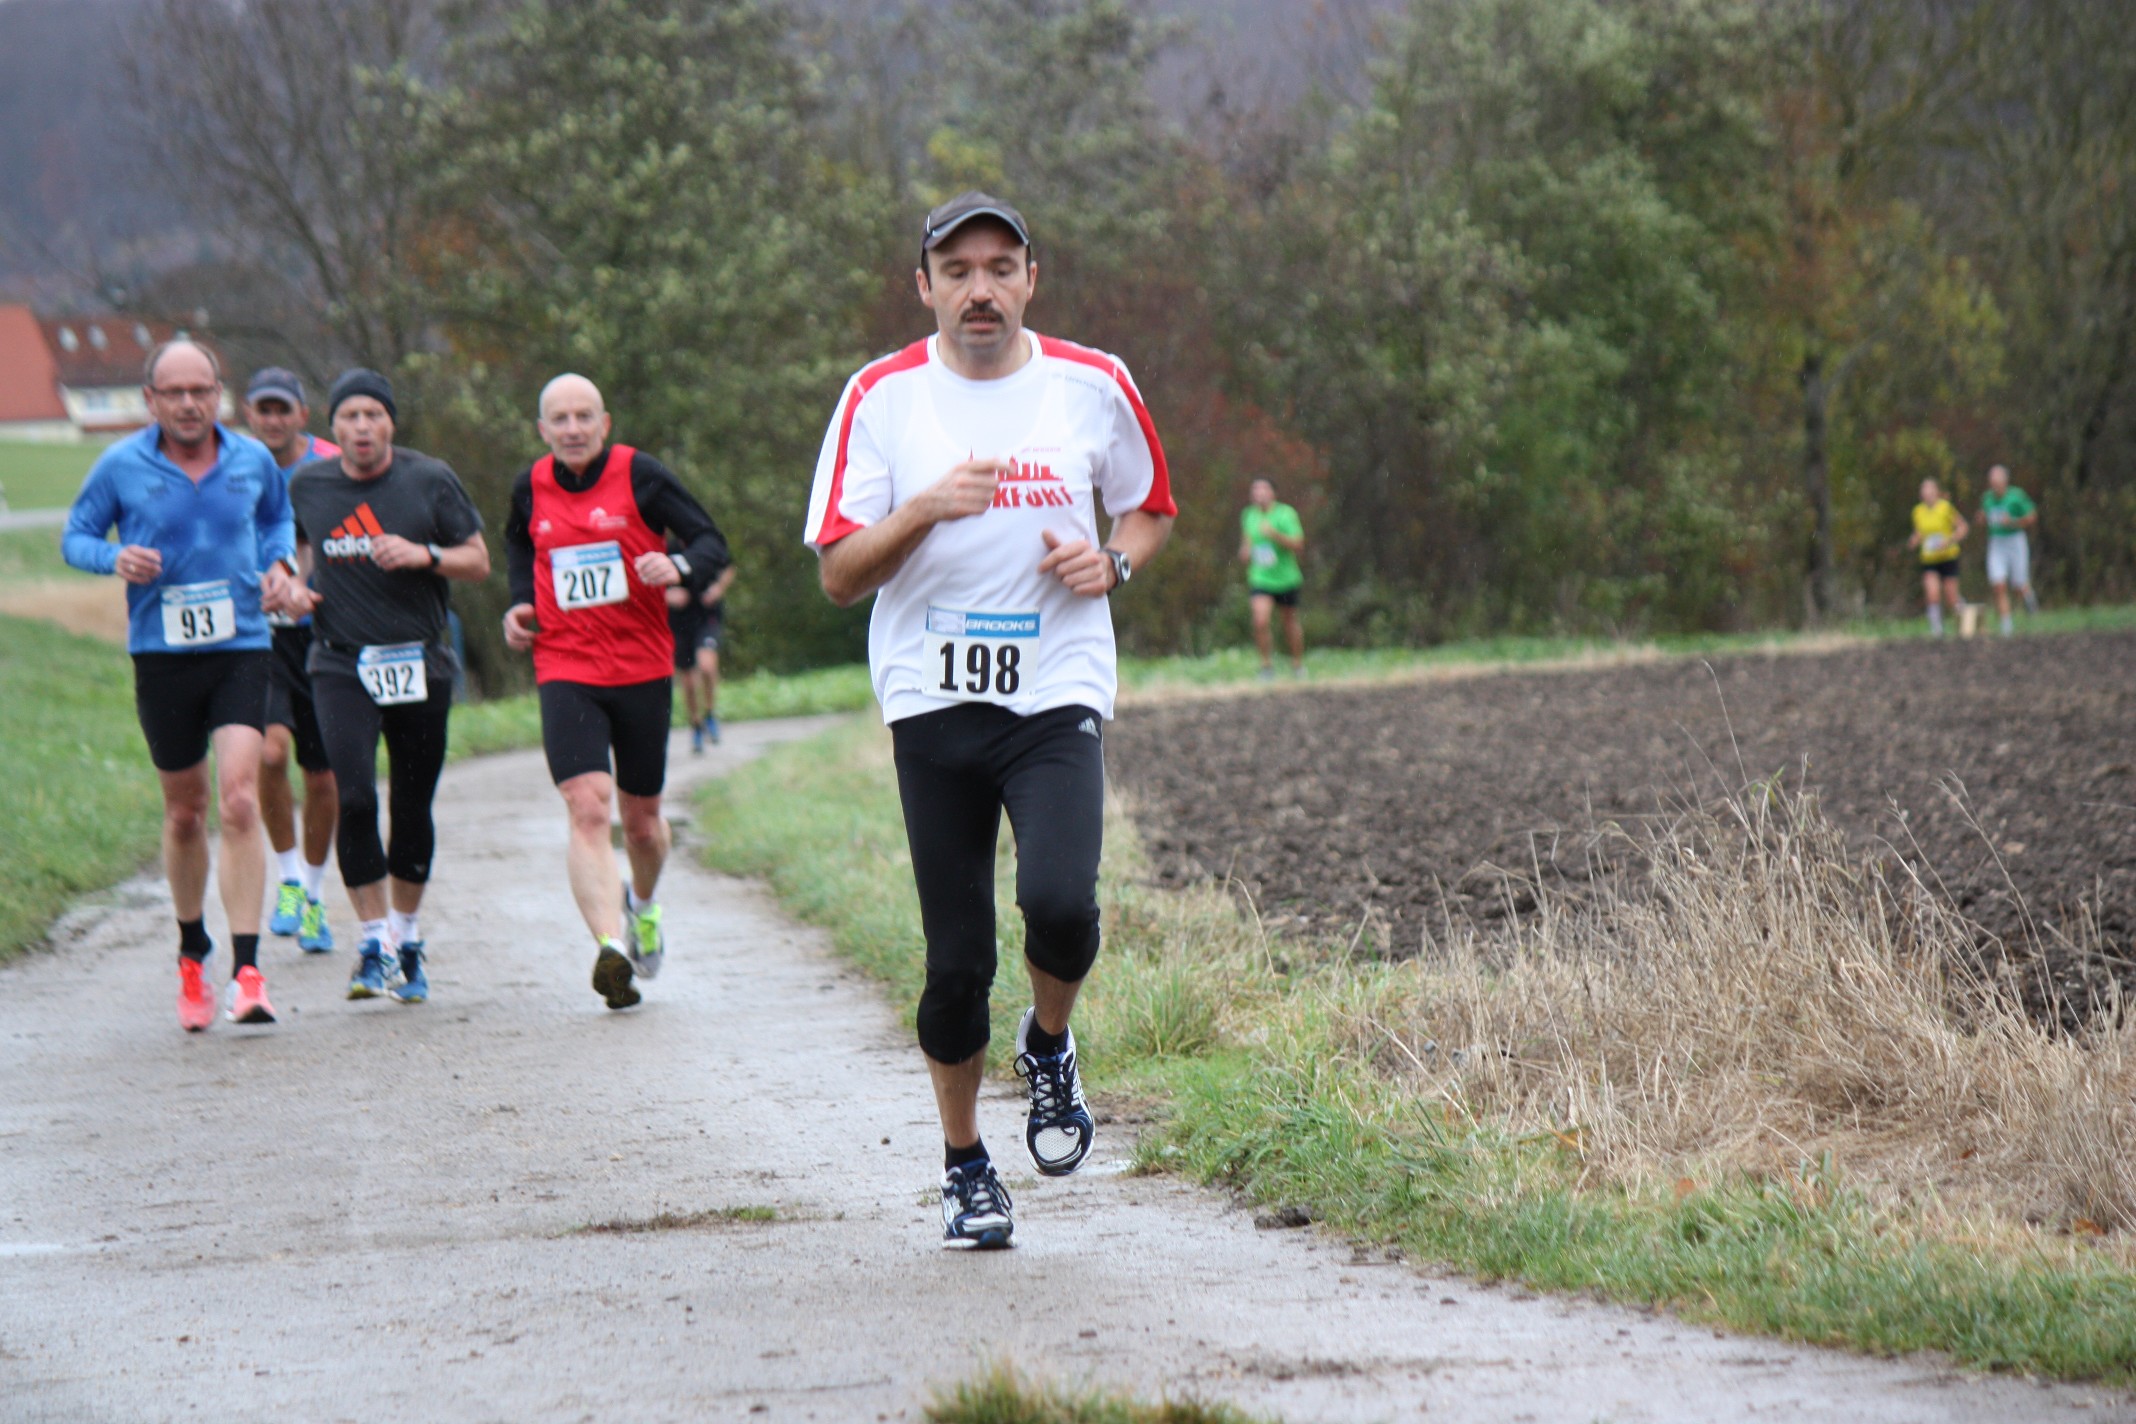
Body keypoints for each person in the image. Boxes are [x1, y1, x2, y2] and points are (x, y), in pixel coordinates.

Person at [804, 192, 1175, 1248]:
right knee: (957, 960)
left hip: (1056, 689)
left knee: (1061, 904)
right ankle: (966, 1163)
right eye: (958, 270)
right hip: (932, 698)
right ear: (923, 285)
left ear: (1030, 281)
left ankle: (1049, 1041)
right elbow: (838, 574)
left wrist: (1113, 564)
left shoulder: (1093, 383)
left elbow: (1150, 507)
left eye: (1000, 268)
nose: (981, 289)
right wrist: (925, 506)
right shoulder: (880, 397)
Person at [63, 339, 299, 1030]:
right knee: (186, 811)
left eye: (201, 390)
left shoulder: (251, 459)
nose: (190, 404)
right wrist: (114, 557)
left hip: (241, 645)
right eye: (175, 393)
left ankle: (248, 972)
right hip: (163, 656)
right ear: (151, 400)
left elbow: (276, 518)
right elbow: (76, 536)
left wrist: (281, 564)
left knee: (240, 799)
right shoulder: (120, 465)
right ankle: (193, 951)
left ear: (219, 394)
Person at [502, 374, 729, 1009]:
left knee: (643, 824)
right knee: (587, 805)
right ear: (542, 430)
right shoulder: (530, 486)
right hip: (565, 663)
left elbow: (711, 543)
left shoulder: (641, 475)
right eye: (560, 419)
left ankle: (643, 907)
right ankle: (611, 948)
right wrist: (519, 604)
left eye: (584, 417)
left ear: (604, 424)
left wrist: (677, 565)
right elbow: (518, 546)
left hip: (641, 667)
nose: (572, 428)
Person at [275, 369, 489, 1004]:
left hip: (418, 661)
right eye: (351, 416)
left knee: (412, 806)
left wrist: (425, 555)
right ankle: (373, 942)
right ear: (333, 425)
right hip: (340, 664)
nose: (362, 427)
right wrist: (294, 587)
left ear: (391, 422)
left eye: (374, 414)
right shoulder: (309, 484)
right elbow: (298, 554)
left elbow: (477, 560)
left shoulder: (430, 479)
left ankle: (407, 936)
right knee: (355, 798)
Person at [244, 367, 340, 951]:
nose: (274, 419)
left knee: (323, 776)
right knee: (270, 752)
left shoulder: (331, 465)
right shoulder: (234, 465)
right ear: (249, 414)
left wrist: (312, 587)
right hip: (262, 639)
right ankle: (287, 880)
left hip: (324, 636)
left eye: (284, 409)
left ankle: (314, 896)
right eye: (264, 409)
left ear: (303, 414)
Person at [668, 550, 736, 752]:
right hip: (679, 622)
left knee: (706, 666)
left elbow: (729, 566)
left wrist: (718, 588)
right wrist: (667, 595)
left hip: (707, 617)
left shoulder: (707, 542)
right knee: (688, 681)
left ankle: (710, 713)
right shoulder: (668, 548)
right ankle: (696, 723)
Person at [1239, 477, 1305, 678]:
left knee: (1289, 622)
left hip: (1286, 579)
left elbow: (1298, 544)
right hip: (1261, 578)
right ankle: (1266, 666)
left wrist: (1275, 535)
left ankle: (1297, 665)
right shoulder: (1249, 515)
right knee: (1260, 621)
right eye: (1255, 490)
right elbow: (1247, 541)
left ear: (1273, 493)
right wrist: (1245, 552)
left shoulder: (1285, 514)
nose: (1259, 493)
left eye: (1263, 489)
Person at [1979, 464, 2039, 636]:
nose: (1994, 486)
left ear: (2005, 481)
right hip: (1997, 542)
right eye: (1992, 482)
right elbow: (1984, 516)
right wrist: (1982, 519)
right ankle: (2006, 627)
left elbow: (2032, 517)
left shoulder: (2016, 496)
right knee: (1998, 584)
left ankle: (2029, 598)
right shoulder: (1987, 498)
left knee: (2019, 584)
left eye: (1997, 482)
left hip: (2015, 540)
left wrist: (2012, 521)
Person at [1908, 477, 1968, 636]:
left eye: (1930, 490)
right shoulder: (1918, 511)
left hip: (1948, 557)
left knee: (1951, 597)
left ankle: (1964, 619)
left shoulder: (1945, 508)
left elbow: (1963, 528)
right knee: (1932, 593)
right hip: (1929, 560)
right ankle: (1937, 630)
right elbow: (1919, 532)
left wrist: (1949, 541)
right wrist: (1914, 540)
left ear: (1936, 492)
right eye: (1924, 490)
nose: (1927, 493)